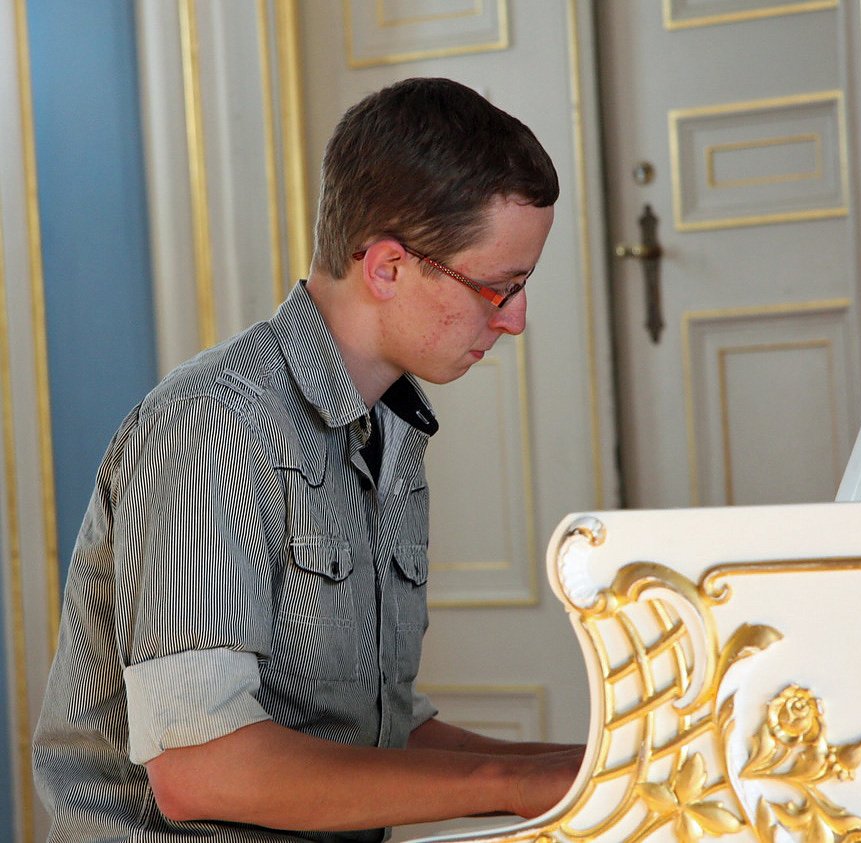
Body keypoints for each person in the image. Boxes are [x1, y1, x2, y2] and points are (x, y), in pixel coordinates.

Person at [33, 76, 581, 841]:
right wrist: (514, 783)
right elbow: (202, 769)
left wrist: (603, 767)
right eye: (498, 287)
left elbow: (374, 735)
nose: (515, 319)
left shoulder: (387, 429)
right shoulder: (213, 425)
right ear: (386, 267)